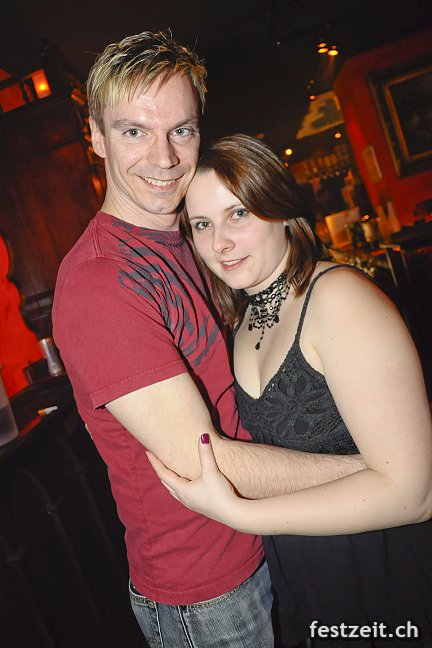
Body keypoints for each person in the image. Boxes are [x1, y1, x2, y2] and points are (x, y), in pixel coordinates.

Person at [52, 31, 365, 648]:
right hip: (209, 593)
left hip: (272, 538)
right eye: (134, 131)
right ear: (96, 136)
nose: (164, 157)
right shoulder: (100, 283)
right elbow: (205, 461)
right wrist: (376, 471)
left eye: (182, 130)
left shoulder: (193, 237)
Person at [147, 134, 432, 647]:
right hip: (308, 582)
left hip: (387, 574)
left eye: (238, 214)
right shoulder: (243, 319)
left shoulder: (339, 298)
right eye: (202, 225)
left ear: (280, 210)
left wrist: (239, 513)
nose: (220, 243)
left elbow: (415, 494)